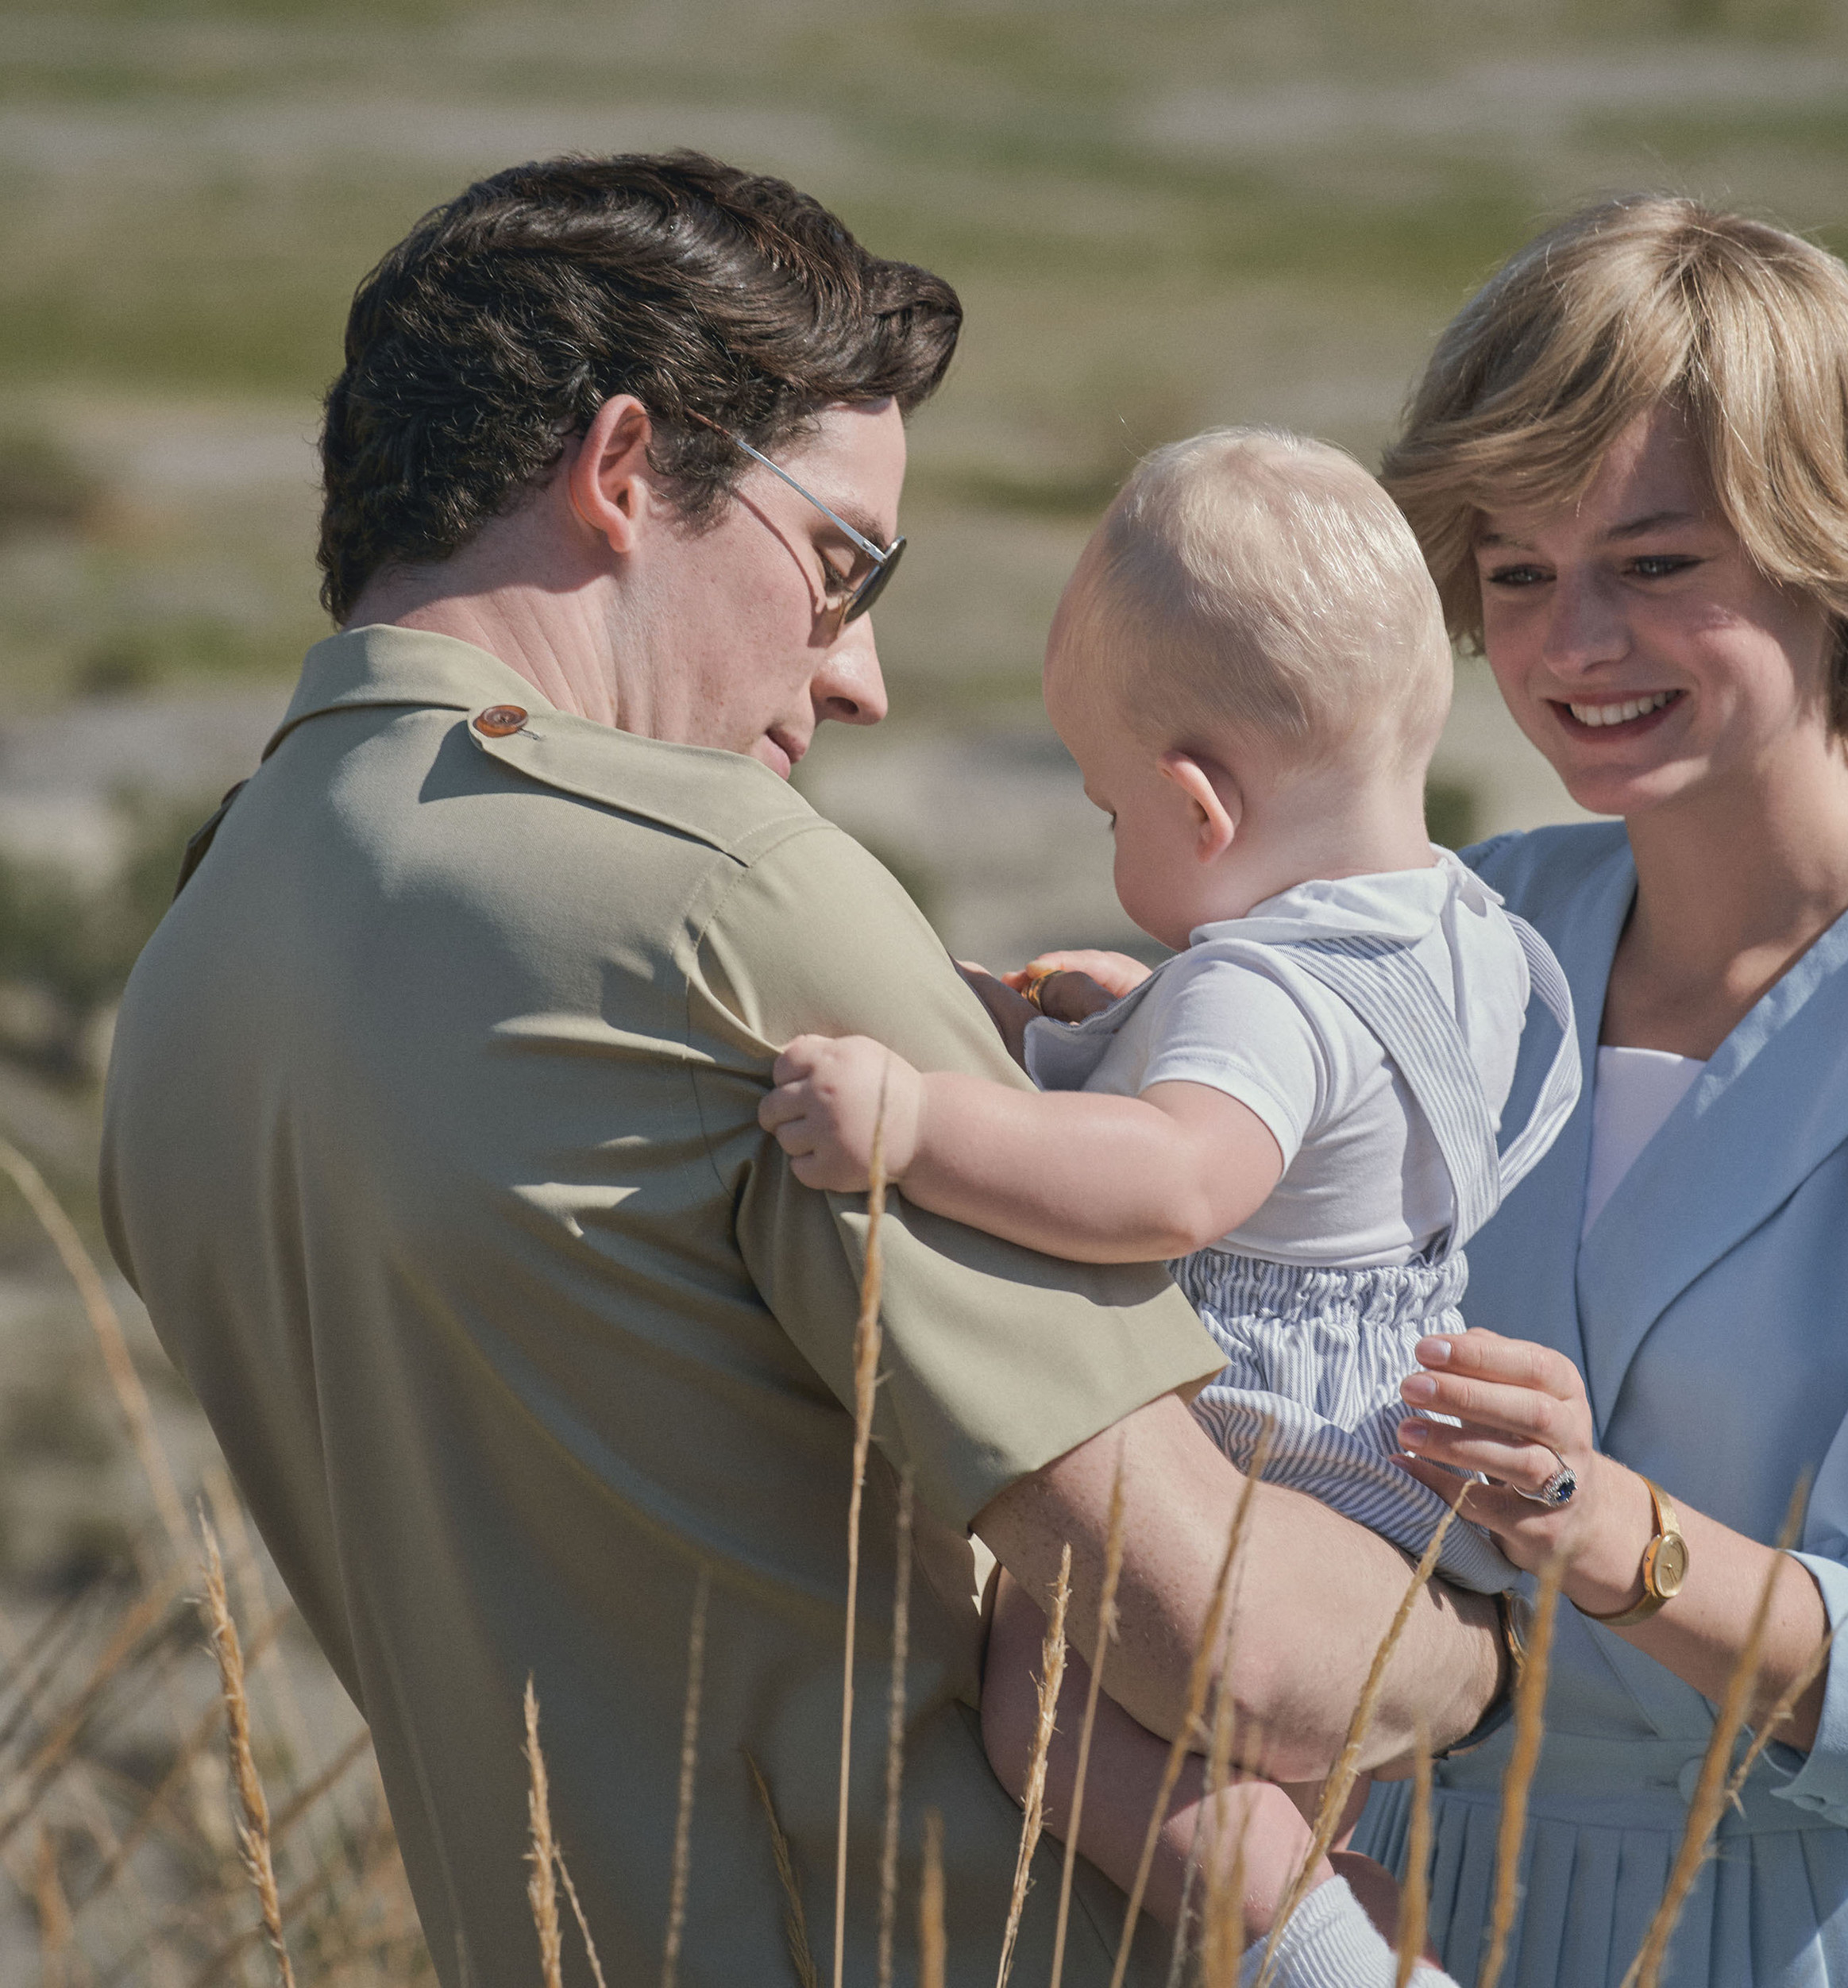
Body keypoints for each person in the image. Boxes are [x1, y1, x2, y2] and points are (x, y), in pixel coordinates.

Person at [98, 152, 1504, 1988]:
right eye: (839, 565)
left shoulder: (192, 967)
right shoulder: (719, 894)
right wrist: (1485, 1643)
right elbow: (1213, 1634)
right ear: (619, 476)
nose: (863, 677)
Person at [1319, 195, 1848, 1984]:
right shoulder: (1474, 925)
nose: (1574, 646)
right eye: (1517, 573)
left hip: (1804, 1934)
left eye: (1655, 564)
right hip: (1404, 1918)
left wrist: (1582, 1507)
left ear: (1827, 553)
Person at [760, 428, 1581, 1956]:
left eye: (1106, 808)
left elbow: (1171, 1184)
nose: (1109, 837)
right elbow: (1328, 1130)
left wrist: (915, 1121)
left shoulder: (1264, 998)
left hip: (1286, 1466)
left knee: (1045, 1711)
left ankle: (1321, 1954)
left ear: (1202, 810)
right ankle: (1365, 1915)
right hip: (1397, 1469)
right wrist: (1142, 1018)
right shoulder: (1458, 928)